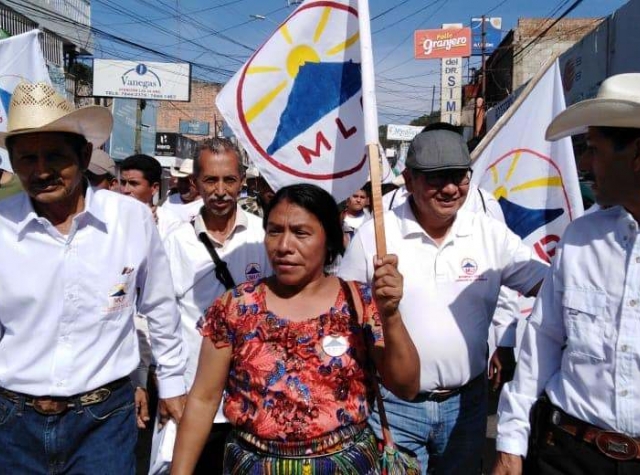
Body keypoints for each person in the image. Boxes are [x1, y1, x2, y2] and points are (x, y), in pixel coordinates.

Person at [0, 81, 187, 473]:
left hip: (103, 421)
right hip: (12, 422)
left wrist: (171, 385)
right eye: (27, 158)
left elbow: (159, 304)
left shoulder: (130, 219)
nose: (41, 170)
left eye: (54, 156)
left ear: (84, 155)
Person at [339, 128, 549, 474]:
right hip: (394, 406)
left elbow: (548, 284)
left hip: (467, 406)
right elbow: (344, 317)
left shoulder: (488, 233)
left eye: (459, 177)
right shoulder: (375, 236)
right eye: (437, 179)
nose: (451, 189)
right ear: (408, 180)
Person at [171, 183, 420, 474]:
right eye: (275, 231)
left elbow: (407, 386)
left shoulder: (361, 303)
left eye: (301, 233)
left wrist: (390, 315)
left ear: (329, 239)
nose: (284, 246)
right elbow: (203, 399)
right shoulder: (235, 306)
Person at [493, 73, 640, 475]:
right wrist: (510, 442)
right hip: (569, 453)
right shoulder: (579, 238)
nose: (586, 164)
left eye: (594, 150)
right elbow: (543, 339)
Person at [159, 137, 271, 474]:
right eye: (210, 180)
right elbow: (162, 318)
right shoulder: (176, 240)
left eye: (229, 180)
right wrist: (168, 385)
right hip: (192, 398)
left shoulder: (262, 236)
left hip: (251, 398)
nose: (220, 190)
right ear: (194, 183)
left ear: (242, 181)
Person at [120, 153, 182, 241]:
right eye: (123, 183)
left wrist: (148, 228)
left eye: (133, 184)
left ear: (154, 188)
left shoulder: (171, 223)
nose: (125, 190)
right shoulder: (110, 216)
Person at [162, 158, 203, 223]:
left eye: (187, 182)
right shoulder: (170, 200)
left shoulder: (206, 207)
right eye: (181, 180)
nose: (183, 185)